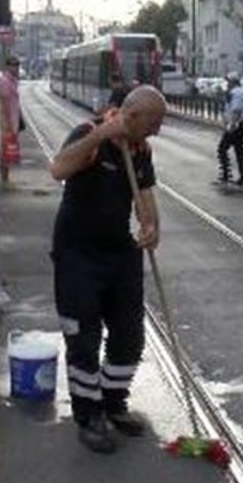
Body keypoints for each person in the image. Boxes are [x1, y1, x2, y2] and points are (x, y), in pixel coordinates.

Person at [48, 85, 166, 454]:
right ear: (131, 117)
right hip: (77, 254)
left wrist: (150, 227)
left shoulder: (140, 149)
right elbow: (58, 168)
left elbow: (145, 196)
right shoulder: (90, 134)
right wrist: (102, 134)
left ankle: (114, 402)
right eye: (154, 123)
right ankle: (89, 415)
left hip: (119, 253)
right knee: (83, 338)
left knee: (129, 336)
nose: (157, 131)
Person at [215, 74, 243, 189]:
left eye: (228, 82)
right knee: (239, 150)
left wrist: (231, 125)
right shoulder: (242, 93)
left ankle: (226, 174)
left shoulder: (236, 93)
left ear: (232, 82)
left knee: (222, 148)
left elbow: (236, 109)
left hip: (235, 126)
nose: (227, 84)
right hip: (241, 125)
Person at [0, 55, 22, 184]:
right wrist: (10, 124)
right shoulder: (5, 81)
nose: (15, 68)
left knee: (7, 150)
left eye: (17, 65)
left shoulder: (12, 80)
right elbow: (6, 103)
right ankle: (4, 178)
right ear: (7, 66)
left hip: (12, 120)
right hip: (7, 122)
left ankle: (6, 177)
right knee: (5, 150)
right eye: (13, 65)